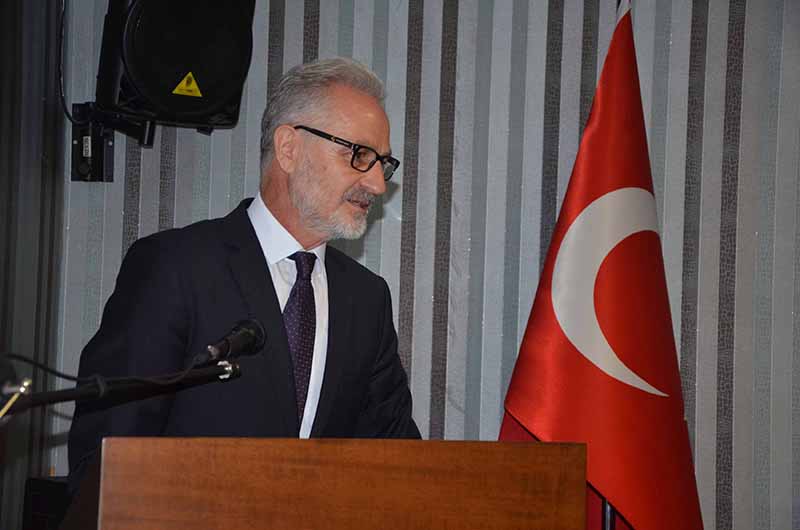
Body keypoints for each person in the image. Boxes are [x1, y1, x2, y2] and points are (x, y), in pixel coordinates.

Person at [67, 58, 420, 494]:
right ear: (289, 148)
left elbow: (397, 461)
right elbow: (107, 458)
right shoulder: (176, 268)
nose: (378, 185)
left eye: (382, 163)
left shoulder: (366, 299)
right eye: (359, 155)